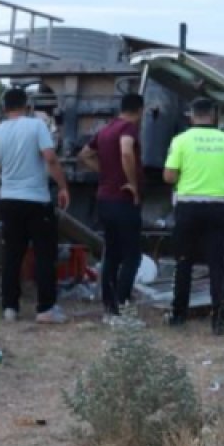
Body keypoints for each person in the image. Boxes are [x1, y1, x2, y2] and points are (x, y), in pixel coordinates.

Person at [0, 87, 72, 324]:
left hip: (8, 201)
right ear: (27, 105)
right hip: (36, 201)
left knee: (12, 254)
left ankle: (10, 308)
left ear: (4, 108)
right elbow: (50, 158)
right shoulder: (36, 126)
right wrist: (63, 186)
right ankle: (45, 309)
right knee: (44, 254)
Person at [163, 97, 224, 335]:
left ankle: (179, 316)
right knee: (217, 265)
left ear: (191, 116)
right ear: (214, 116)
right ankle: (219, 321)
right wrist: (219, 177)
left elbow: (169, 176)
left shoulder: (180, 141)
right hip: (217, 207)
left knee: (183, 263)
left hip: (187, 207)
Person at [77, 93, 145, 321]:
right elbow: (126, 151)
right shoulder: (128, 128)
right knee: (131, 256)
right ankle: (123, 306)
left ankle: (109, 307)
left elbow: (85, 154)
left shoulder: (105, 130)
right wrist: (132, 184)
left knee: (112, 255)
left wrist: (105, 172)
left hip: (104, 199)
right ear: (140, 111)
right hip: (123, 200)